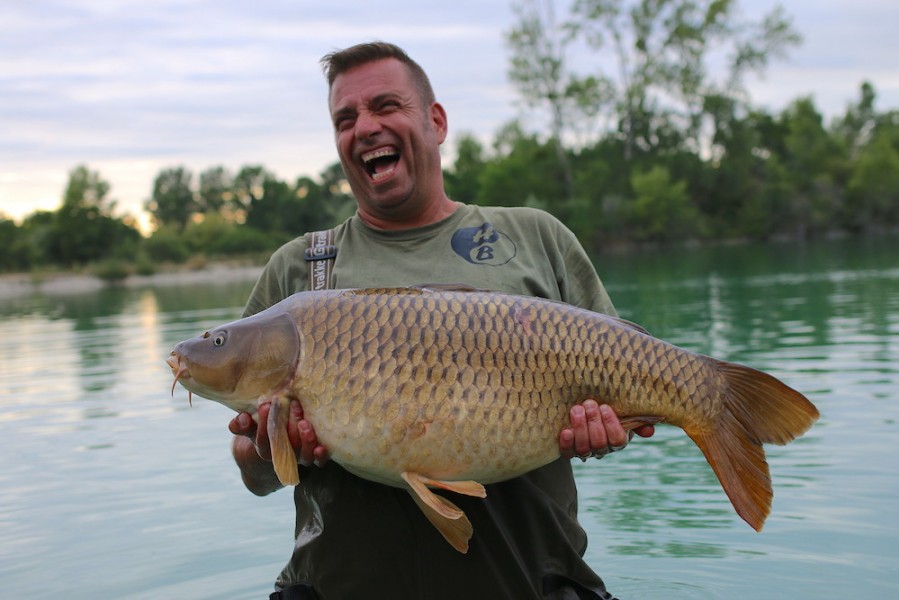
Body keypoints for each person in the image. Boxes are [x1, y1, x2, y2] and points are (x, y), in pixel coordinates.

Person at [228, 41, 654, 600]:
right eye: (346, 118)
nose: (366, 128)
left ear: (435, 121)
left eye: (386, 106)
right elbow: (253, 472)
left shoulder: (535, 239)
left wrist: (607, 430)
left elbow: (621, 388)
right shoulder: (299, 272)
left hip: (530, 583)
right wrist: (266, 448)